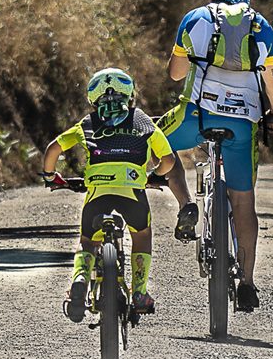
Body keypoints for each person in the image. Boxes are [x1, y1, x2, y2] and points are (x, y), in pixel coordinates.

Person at [158, 0, 273, 312]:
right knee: (244, 202)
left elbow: (175, 74)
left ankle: (186, 203)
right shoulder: (261, 27)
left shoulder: (196, 19)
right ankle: (246, 283)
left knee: (158, 141)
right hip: (243, 123)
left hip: (197, 115)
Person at [41, 67, 177, 322]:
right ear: (130, 95)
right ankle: (139, 292)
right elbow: (168, 160)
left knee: (88, 242)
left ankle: (80, 279)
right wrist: (153, 175)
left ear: (93, 99)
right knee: (142, 235)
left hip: (98, 192)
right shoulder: (143, 121)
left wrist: (50, 176)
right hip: (132, 192)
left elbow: (53, 149)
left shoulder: (88, 123)